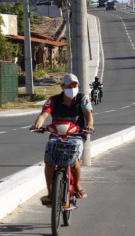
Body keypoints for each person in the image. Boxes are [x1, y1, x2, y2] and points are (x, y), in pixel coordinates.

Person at [31, 73, 94, 205]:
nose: (72, 88)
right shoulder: (54, 100)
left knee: (75, 160)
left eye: (75, 86)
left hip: (76, 135)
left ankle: (77, 185)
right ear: (62, 86)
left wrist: (89, 125)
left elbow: (88, 114)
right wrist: (38, 124)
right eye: (69, 86)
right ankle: (50, 193)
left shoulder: (82, 98)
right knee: (49, 161)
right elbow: (44, 114)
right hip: (57, 135)